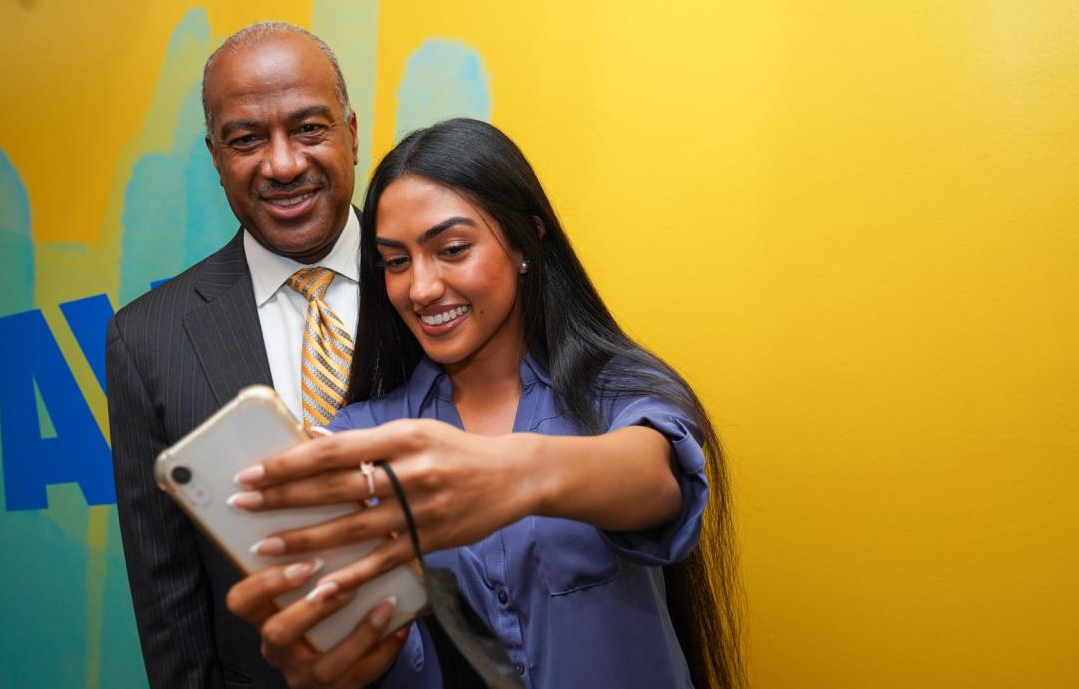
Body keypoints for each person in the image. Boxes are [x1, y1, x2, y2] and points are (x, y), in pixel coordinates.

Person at [223, 119, 747, 688]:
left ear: (526, 242)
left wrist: (518, 474)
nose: (419, 288)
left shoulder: (614, 388)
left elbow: (660, 479)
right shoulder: (363, 435)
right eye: (395, 262)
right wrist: (355, 658)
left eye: (452, 249)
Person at [106, 22, 406, 688]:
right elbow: (167, 594)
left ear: (352, 134)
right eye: (246, 140)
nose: (283, 164)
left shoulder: (435, 282)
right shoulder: (149, 339)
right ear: (215, 157)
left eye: (308, 128)